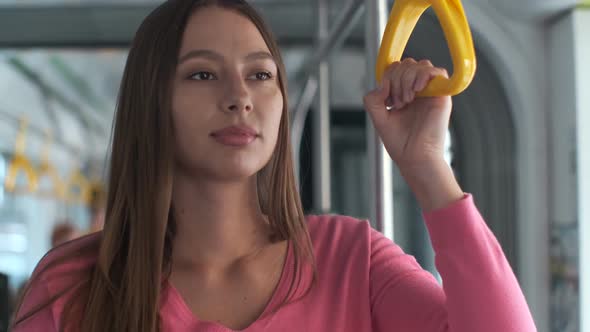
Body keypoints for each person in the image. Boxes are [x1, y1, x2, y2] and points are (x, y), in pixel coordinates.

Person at [10, 0, 537, 331]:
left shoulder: (352, 261)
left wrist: (428, 167)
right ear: (152, 102)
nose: (240, 97)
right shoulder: (75, 286)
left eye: (261, 75)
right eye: (201, 75)